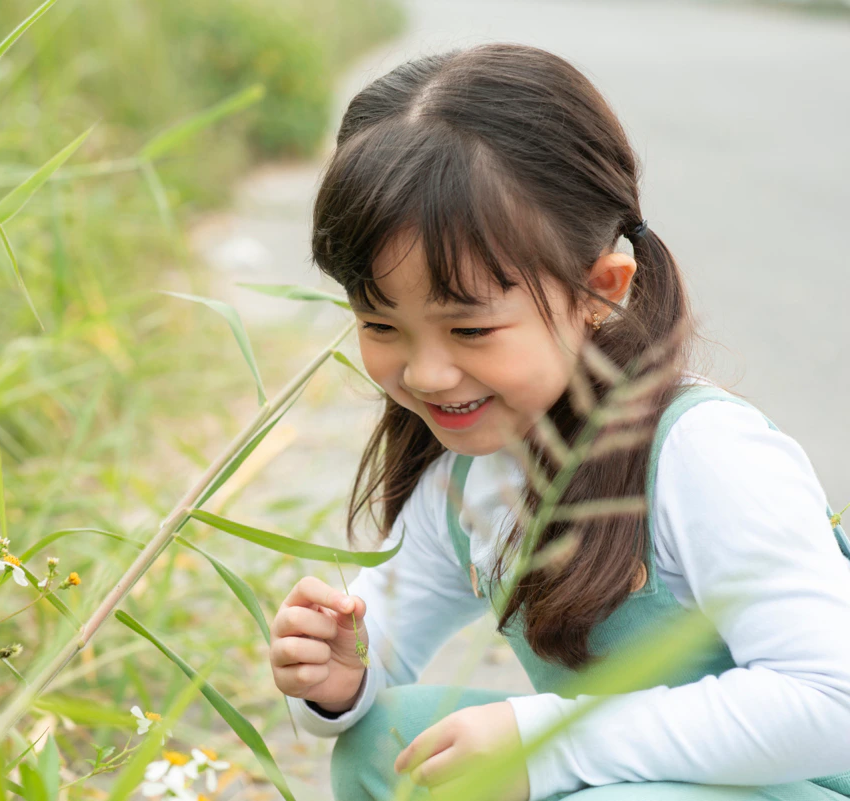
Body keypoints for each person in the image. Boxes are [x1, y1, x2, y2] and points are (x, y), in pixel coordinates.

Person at [268, 43, 850, 801]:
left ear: (599, 290)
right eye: (382, 325)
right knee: (388, 744)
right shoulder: (469, 476)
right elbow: (378, 648)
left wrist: (549, 743)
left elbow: (832, 702)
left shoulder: (701, 453)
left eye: (471, 330)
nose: (426, 373)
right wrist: (335, 680)